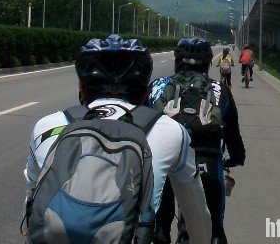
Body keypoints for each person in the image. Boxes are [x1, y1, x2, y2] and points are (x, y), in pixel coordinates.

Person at [23, 34, 212, 244]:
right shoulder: (170, 131)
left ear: (82, 90)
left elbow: (33, 198)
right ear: (144, 94)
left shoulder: (47, 125)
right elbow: (196, 214)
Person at [148, 38, 246, 244]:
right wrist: (236, 157)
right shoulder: (220, 89)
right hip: (206, 161)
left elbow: (141, 123)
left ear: (176, 62)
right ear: (208, 63)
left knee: (155, 228)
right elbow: (233, 133)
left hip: (162, 162)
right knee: (214, 230)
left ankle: (161, 232)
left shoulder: (157, 86)